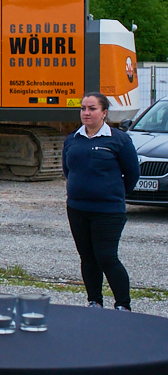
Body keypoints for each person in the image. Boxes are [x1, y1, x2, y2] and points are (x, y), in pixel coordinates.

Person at [62, 92, 140, 311]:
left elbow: (132, 174)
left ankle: (123, 305)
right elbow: (68, 170)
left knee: (106, 257)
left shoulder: (119, 140)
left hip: (108, 211)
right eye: (83, 108)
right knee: (87, 258)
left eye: (92, 108)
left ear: (104, 112)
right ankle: (94, 302)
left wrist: (112, 194)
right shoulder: (72, 139)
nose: (86, 113)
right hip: (77, 209)